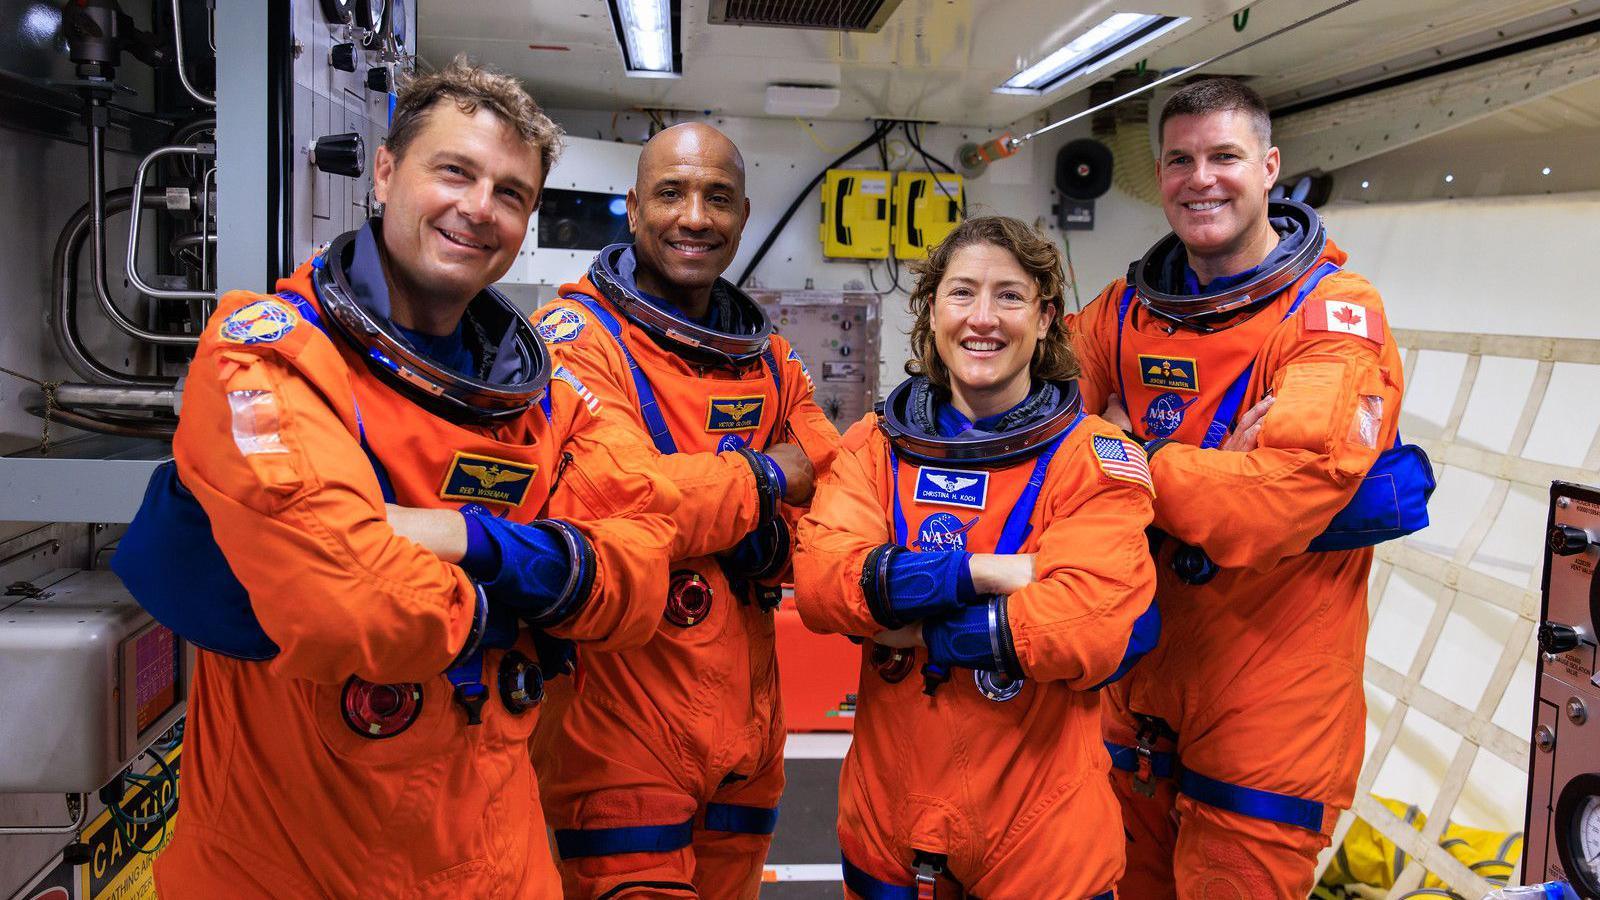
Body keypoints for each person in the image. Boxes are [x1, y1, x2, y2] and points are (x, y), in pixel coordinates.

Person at [117, 59, 680, 898]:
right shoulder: (267, 354)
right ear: (385, 172)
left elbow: (640, 577)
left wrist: (461, 537)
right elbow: (354, 606)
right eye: (454, 171)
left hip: (498, 857)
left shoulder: (547, 396)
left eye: (511, 192)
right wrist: (541, 588)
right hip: (293, 864)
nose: (478, 208)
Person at [1068, 78, 1413, 898]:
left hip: (1272, 703)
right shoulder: (1120, 314)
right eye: (1181, 160)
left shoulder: (1333, 318)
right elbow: (1033, 446)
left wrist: (1129, 450)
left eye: (1225, 156)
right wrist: (1208, 463)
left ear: (1269, 168)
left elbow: (1272, 500)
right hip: (1136, 691)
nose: (1202, 179)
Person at [792, 216, 1160, 899]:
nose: (982, 318)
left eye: (1010, 297)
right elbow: (820, 582)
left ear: (1047, 318)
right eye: (962, 293)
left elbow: (1089, 624)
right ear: (932, 312)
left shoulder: (1095, 459)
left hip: (1044, 839)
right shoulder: (876, 446)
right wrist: (982, 572)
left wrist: (908, 618)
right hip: (886, 824)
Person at [525, 122, 840, 898]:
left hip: (749, 737)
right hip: (617, 729)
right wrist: (768, 479)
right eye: (670, 193)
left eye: (717, 198)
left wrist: (747, 526)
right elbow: (625, 501)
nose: (694, 216)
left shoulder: (769, 360)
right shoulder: (575, 340)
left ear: (742, 216)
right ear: (632, 210)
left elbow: (837, 496)